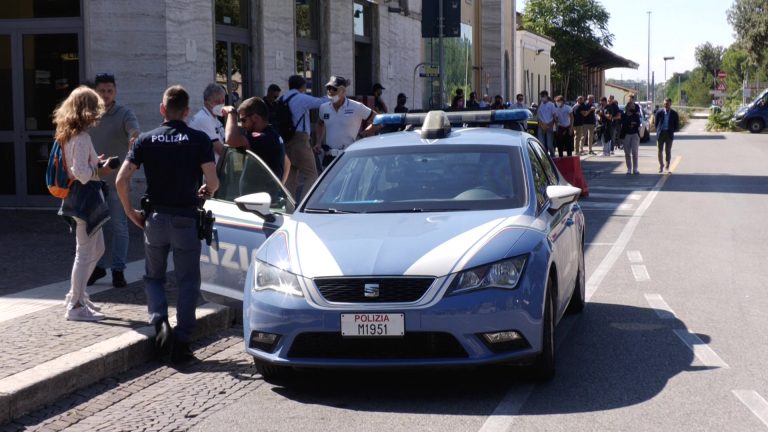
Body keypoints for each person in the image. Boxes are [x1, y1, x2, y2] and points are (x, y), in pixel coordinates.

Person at [115, 85, 219, 363]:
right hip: (186, 217)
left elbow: (120, 180)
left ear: (162, 109)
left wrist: (130, 212)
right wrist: (204, 192)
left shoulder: (146, 140)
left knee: (153, 276)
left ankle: (160, 326)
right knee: (187, 280)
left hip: (156, 218)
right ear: (186, 112)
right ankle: (183, 342)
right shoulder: (199, 139)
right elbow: (214, 182)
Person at [54, 86, 117, 321]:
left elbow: (77, 167)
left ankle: (77, 294)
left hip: (79, 197)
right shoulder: (80, 137)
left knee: (96, 248)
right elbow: (80, 172)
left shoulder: (69, 134)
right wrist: (100, 168)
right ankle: (76, 305)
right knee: (85, 251)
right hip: (84, 197)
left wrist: (94, 162)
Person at [87, 73, 141, 289]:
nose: (106, 95)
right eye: (102, 91)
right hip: (91, 181)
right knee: (93, 229)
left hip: (116, 181)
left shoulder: (124, 112)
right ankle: (97, 267)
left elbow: (133, 129)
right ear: (95, 92)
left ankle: (118, 270)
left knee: (119, 227)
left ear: (115, 92)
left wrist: (134, 137)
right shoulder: (88, 114)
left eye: (110, 91)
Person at [279, 75, 326, 200]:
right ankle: (305, 204)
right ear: (303, 86)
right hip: (300, 140)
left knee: (291, 175)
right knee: (311, 175)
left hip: (286, 140)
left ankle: (289, 206)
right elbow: (321, 102)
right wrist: (335, 95)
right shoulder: (300, 98)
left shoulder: (283, 98)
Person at [224, 97, 291, 183]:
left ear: (255, 117)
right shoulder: (272, 135)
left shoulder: (263, 137)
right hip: (265, 194)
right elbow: (287, 163)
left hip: (262, 195)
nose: (242, 125)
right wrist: (279, 188)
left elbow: (231, 139)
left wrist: (231, 112)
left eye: (243, 120)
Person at [315, 76, 377, 167]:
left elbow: (379, 121)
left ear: (343, 91)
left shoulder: (356, 107)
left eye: (334, 89)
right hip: (329, 157)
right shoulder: (324, 107)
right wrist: (318, 142)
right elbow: (320, 123)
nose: (330, 91)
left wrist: (362, 134)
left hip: (350, 156)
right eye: (328, 88)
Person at [188, 83, 226, 158]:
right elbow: (221, 150)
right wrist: (231, 116)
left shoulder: (214, 118)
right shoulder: (203, 119)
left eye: (223, 101)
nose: (221, 104)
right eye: (217, 102)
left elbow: (227, 142)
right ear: (207, 102)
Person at [654, 98, 679, 173]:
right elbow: (656, 124)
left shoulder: (674, 113)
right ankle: (661, 165)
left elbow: (676, 125)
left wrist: (671, 130)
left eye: (667, 104)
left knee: (668, 151)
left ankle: (667, 165)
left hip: (669, 134)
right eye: (664, 104)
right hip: (661, 134)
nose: (666, 105)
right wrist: (659, 130)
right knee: (659, 150)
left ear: (670, 104)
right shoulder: (659, 112)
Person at [622, 101, 642, 175]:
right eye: (631, 106)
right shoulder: (624, 115)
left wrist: (632, 123)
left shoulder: (636, 115)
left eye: (633, 107)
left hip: (635, 134)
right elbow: (623, 123)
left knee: (634, 151)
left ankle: (635, 169)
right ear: (627, 107)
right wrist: (631, 123)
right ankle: (629, 169)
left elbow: (638, 123)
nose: (633, 108)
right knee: (627, 152)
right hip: (626, 134)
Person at [536, 90, 556, 158]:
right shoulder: (540, 104)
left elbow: (554, 116)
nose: (542, 98)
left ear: (547, 96)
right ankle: (544, 157)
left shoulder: (551, 104)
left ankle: (553, 156)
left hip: (549, 125)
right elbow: (538, 115)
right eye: (541, 96)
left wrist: (549, 125)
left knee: (549, 145)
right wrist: (541, 124)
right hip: (541, 125)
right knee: (541, 144)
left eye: (543, 96)